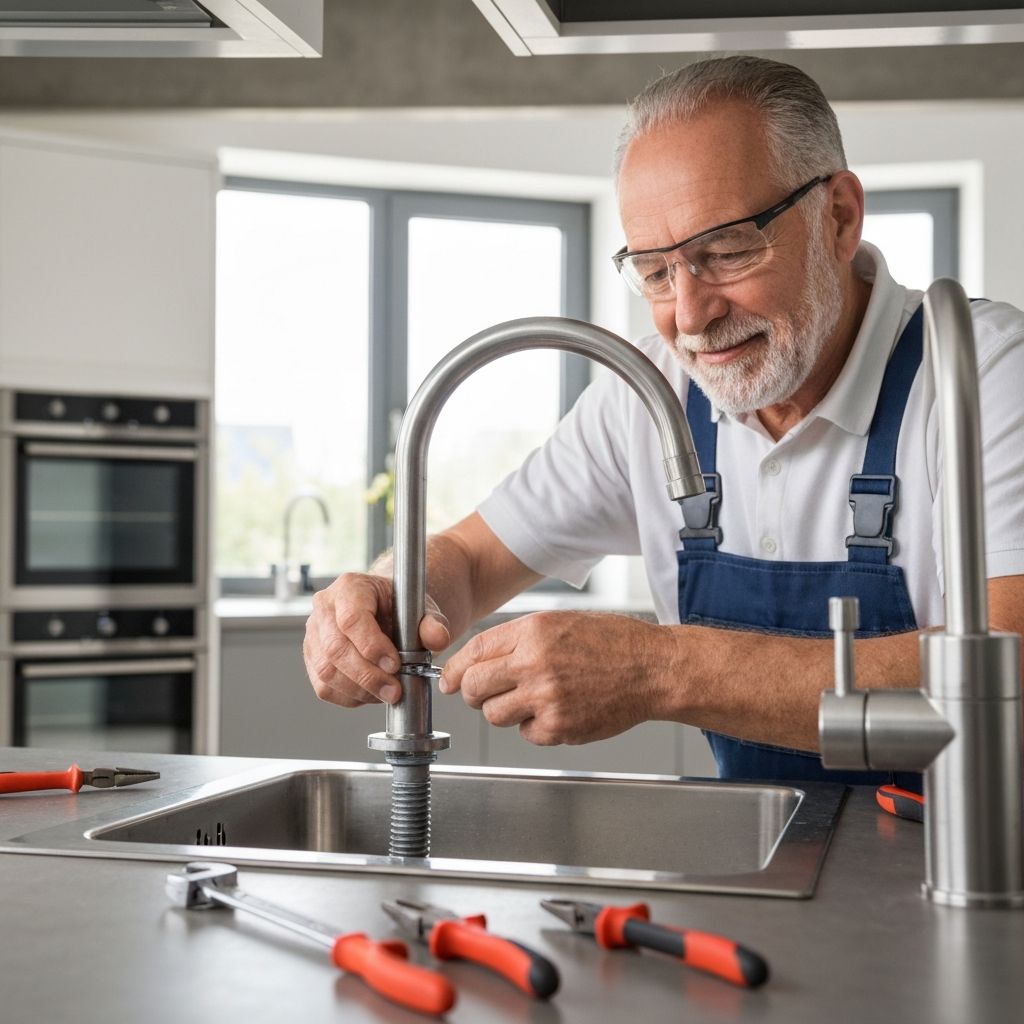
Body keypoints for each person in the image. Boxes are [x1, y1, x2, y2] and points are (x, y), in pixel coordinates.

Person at [303, 55, 1024, 787]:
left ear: (837, 216)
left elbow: (1015, 667)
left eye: (727, 251)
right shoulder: (648, 397)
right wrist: (389, 597)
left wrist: (662, 669)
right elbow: (471, 559)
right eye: (655, 270)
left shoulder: (985, 372)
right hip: (771, 873)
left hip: (978, 868)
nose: (689, 314)